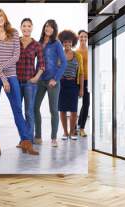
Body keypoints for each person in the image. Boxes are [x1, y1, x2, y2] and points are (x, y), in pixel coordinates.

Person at [0, 8, 39, 156]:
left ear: (4, 17)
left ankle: (26, 141)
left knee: (17, 109)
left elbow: (16, 57)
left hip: (11, 75)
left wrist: (6, 77)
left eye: (0, 15)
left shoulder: (14, 33)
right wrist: (3, 79)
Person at [33, 19, 67, 148]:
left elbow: (63, 63)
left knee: (53, 110)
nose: (48, 28)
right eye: (47, 26)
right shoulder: (39, 42)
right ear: (44, 27)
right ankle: (38, 136)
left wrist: (56, 78)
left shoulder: (56, 44)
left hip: (53, 82)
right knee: (35, 107)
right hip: (40, 81)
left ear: (54, 30)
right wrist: (34, 76)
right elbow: (35, 60)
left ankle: (53, 138)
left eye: (51, 27)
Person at [15, 18, 45, 147]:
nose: (26, 28)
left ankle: (29, 140)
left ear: (32, 28)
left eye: (29, 26)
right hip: (16, 81)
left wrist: (36, 77)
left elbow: (42, 64)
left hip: (30, 83)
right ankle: (23, 138)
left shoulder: (36, 45)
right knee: (18, 110)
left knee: (29, 111)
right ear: (21, 28)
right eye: (24, 26)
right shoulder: (15, 42)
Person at [58, 30, 84, 140]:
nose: (67, 44)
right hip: (61, 84)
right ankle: (65, 132)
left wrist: (81, 89)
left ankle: (72, 132)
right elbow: (56, 71)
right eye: (64, 42)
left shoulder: (78, 56)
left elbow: (81, 73)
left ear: (72, 42)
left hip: (73, 84)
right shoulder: (59, 55)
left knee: (73, 110)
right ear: (62, 43)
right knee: (62, 109)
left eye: (69, 42)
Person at [76, 30, 89, 137]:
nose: (83, 38)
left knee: (86, 104)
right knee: (75, 105)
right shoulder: (76, 52)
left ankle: (82, 127)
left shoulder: (89, 50)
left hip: (88, 80)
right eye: (81, 36)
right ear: (78, 37)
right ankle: (76, 127)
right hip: (79, 80)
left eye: (85, 36)